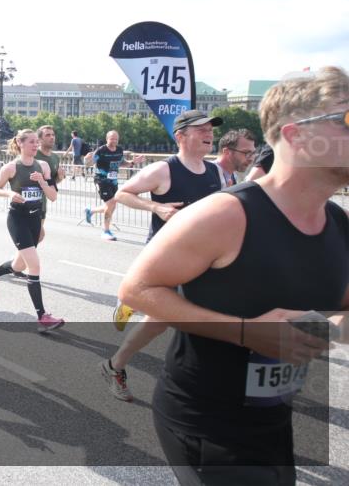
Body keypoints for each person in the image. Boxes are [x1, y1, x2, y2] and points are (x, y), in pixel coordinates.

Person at [119, 67, 349, 485]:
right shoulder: (228, 213)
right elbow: (137, 289)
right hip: (204, 420)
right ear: (296, 136)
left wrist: (323, 329)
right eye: (348, 120)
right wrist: (245, 332)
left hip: (274, 416)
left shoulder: (339, 224)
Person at [100, 110, 223, 402]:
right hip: (167, 257)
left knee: (173, 320)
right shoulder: (163, 170)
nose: (209, 133)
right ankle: (120, 359)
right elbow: (123, 194)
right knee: (171, 319)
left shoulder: (215, 171)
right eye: (201, 129)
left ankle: (115, 363)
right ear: (180, 136)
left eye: (210, 128)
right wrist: (157, 208)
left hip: (204, 259)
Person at [0, 129, 64, 331]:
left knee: (18, 265)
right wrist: (10, 193)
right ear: (20, 144)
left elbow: (53, 196)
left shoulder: (43, 166)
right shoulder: (11, 168)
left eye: (37, 142)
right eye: (31, 142)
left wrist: (42, 181)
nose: (35, 145)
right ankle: (42, 317)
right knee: (34, 266)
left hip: (35, 220)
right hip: (17, 219)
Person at [83, 130, 145, 240]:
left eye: (116, 139)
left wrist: (133, 162)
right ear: (107, 139)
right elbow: (90, 163)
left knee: (112, 205)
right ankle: (106, 231)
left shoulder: (119, 150)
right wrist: (86, 159)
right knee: (111, 203)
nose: (114, 141)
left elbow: (122, 163)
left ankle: (91, 211)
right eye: (112, 138)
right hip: (102, 180)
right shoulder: (101, 150)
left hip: (113, 181)